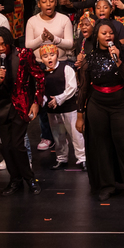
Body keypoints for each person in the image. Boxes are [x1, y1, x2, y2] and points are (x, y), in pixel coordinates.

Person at [75, 19, 124, 199]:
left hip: (120, 103)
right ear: (97, 36)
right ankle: (107, 186)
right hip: (97, 104)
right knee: (102, 147)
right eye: (103, 33)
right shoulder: (89, 58)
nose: (108, 36)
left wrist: (117, 61)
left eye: (111, 33)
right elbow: (83, 88)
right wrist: (80, 115)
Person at [0, 26, 43, 195]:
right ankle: (15, 180)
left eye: (4, 44)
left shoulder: (24, 55)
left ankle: (30, 179)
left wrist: (36, 102)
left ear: (9, 42)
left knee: (18, 145)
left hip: (21, 105)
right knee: (7, 147)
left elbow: (38, 78)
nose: (1, 48)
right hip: (2, 108)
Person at [38, 43, 85, 171]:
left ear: (57, 55)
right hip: (52, 109)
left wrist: (58, 99)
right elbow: (42, 90)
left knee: (75, 134)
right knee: (58, 135)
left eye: (52, 55)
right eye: (45, 56)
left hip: (68, 107)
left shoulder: (65, 68)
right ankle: (61, 158)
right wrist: (46, 100)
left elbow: (72, 87)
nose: (49, 58)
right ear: (41, 59)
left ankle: (82, 158)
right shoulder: (42, 73)